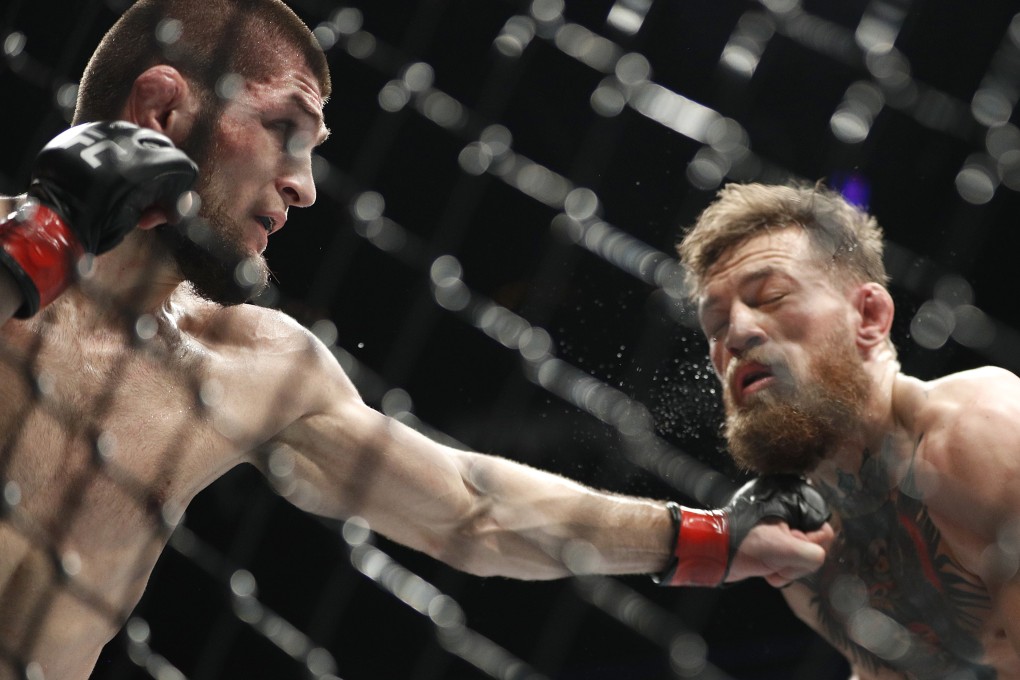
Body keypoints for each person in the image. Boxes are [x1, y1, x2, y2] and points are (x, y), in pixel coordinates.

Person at [0, 2, 834, 678]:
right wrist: (39, 241)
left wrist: (706, 540)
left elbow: (470, 510)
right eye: (285, 129)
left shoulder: (255, 363)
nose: (304, 186)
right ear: (162, 110)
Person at [677, 181, 1020, 679]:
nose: (737, 334)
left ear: (869, 316)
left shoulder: (984, 431)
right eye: (715, 326)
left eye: (770, 297)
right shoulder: (801, 541)